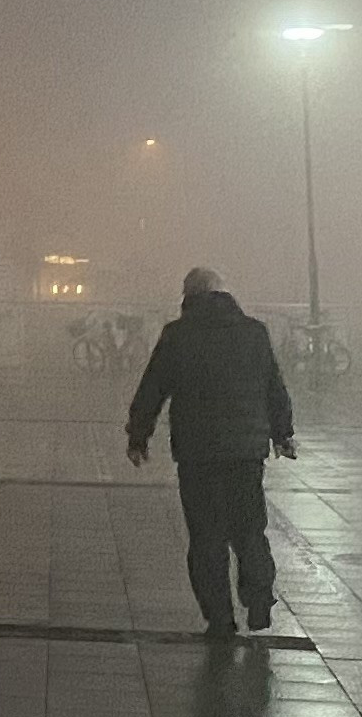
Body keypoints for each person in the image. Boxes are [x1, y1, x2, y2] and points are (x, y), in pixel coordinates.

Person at [124, 265, 294, 636]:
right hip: (246, 452)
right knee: (250, 529)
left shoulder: (177, 335)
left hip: (197, 453)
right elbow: (273, 387)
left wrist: (139, 436)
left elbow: (152, 389)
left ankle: (219, 617)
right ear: (223, 292)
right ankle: (260, 597)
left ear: (187, 296)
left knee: (206, 537)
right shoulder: (253, 333)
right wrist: (283, 434)